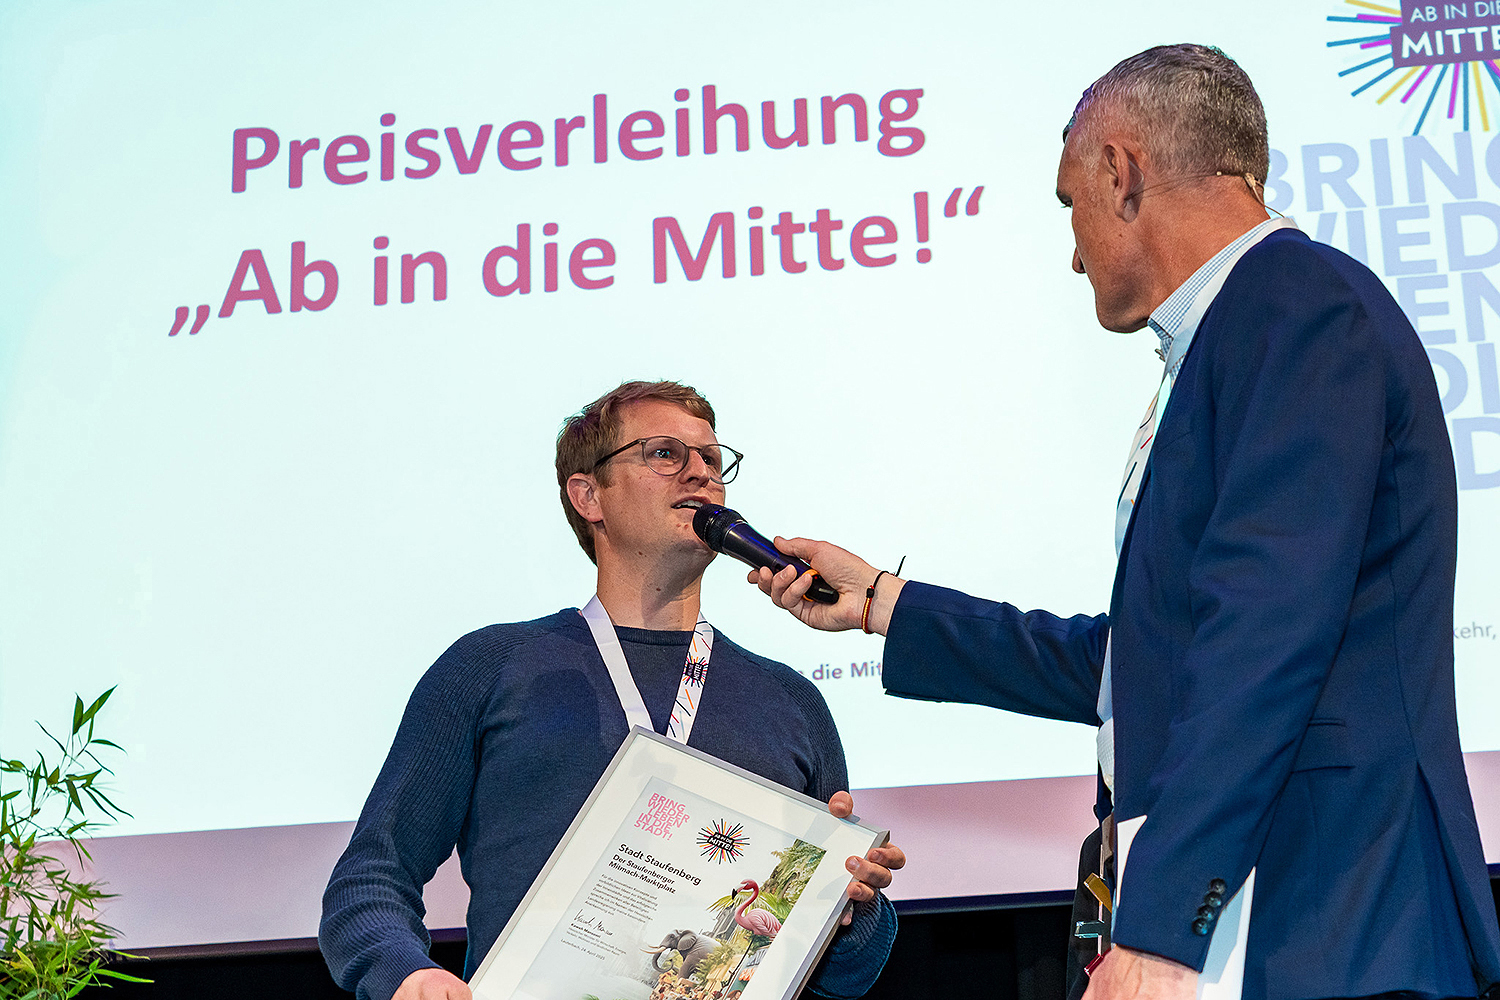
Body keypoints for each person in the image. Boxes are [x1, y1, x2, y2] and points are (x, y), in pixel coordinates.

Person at [748, 44, 1500, 1000]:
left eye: (1071, 204)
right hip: (1290, 911)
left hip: (1330, 908)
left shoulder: (1296, 305)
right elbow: (1149, 658)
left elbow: (1264, 636)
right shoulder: (1244, 327)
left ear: (1120, 170)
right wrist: (884, 604)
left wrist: (1162, 925)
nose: (1072, 251)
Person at [320, 380, 902, 1000]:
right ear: (588, 495)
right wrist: (408, 974)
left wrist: (852, 907)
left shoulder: (791, 702)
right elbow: (372, 878)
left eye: (712, 459)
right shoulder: (490, 667)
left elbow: (843, 976)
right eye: (665, 454)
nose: (701, 474)